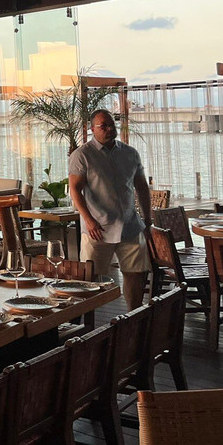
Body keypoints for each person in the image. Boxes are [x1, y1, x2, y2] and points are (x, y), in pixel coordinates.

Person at [68, 109, 152, 310]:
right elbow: (75, 190)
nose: (109, 129)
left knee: (136, 274)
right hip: (98, 228)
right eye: (103, 126)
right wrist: (89, 221)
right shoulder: (82, 155)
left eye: (111, 125)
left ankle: (134, 316)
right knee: (90, 279)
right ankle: (85, 320)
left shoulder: (130, 153)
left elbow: (142, 187)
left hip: (130, 226)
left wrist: (148, 220)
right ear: (92, 129)